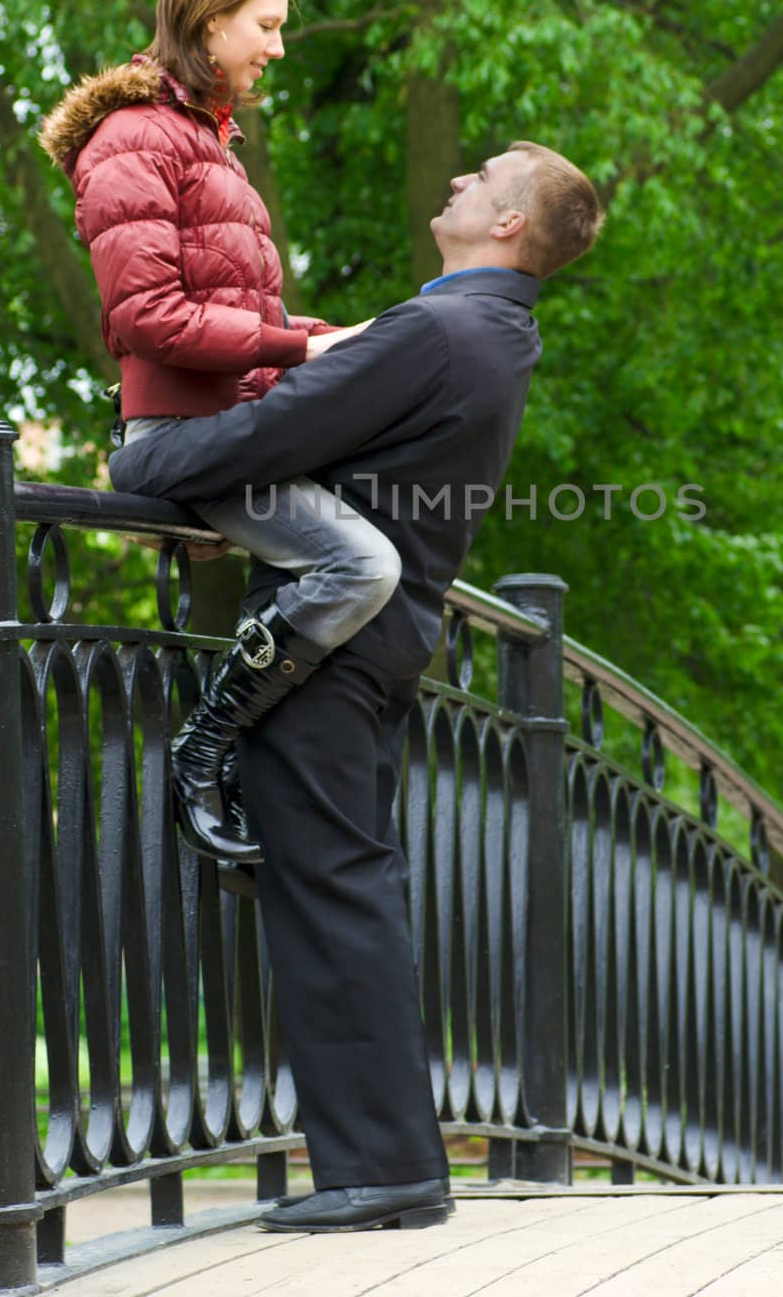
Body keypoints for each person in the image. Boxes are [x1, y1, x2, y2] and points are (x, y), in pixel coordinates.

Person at [107, 140, 604, 1232]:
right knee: (349, 885)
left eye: (481, 179)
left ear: (511, 225)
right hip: (387, 635)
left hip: (335, 650)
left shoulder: (433, 329)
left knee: (332, 890)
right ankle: (386, 1162)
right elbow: (339, 459)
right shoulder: (499, 332)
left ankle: (383, 1171)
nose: (459, 180)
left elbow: (273, 429)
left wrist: (144, 465)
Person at [38, 0, 401, 866]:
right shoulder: (135, 140)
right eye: (266, 26)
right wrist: (301, 343)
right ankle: (204, 750)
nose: (278, 47)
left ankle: (272, 765)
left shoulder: (208, 142)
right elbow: (152, 316)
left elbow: (241, 311)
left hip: (237, 429)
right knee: (363, 568)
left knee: (398, 518)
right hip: (178, 438)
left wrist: (341, 344)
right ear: (209, 23)